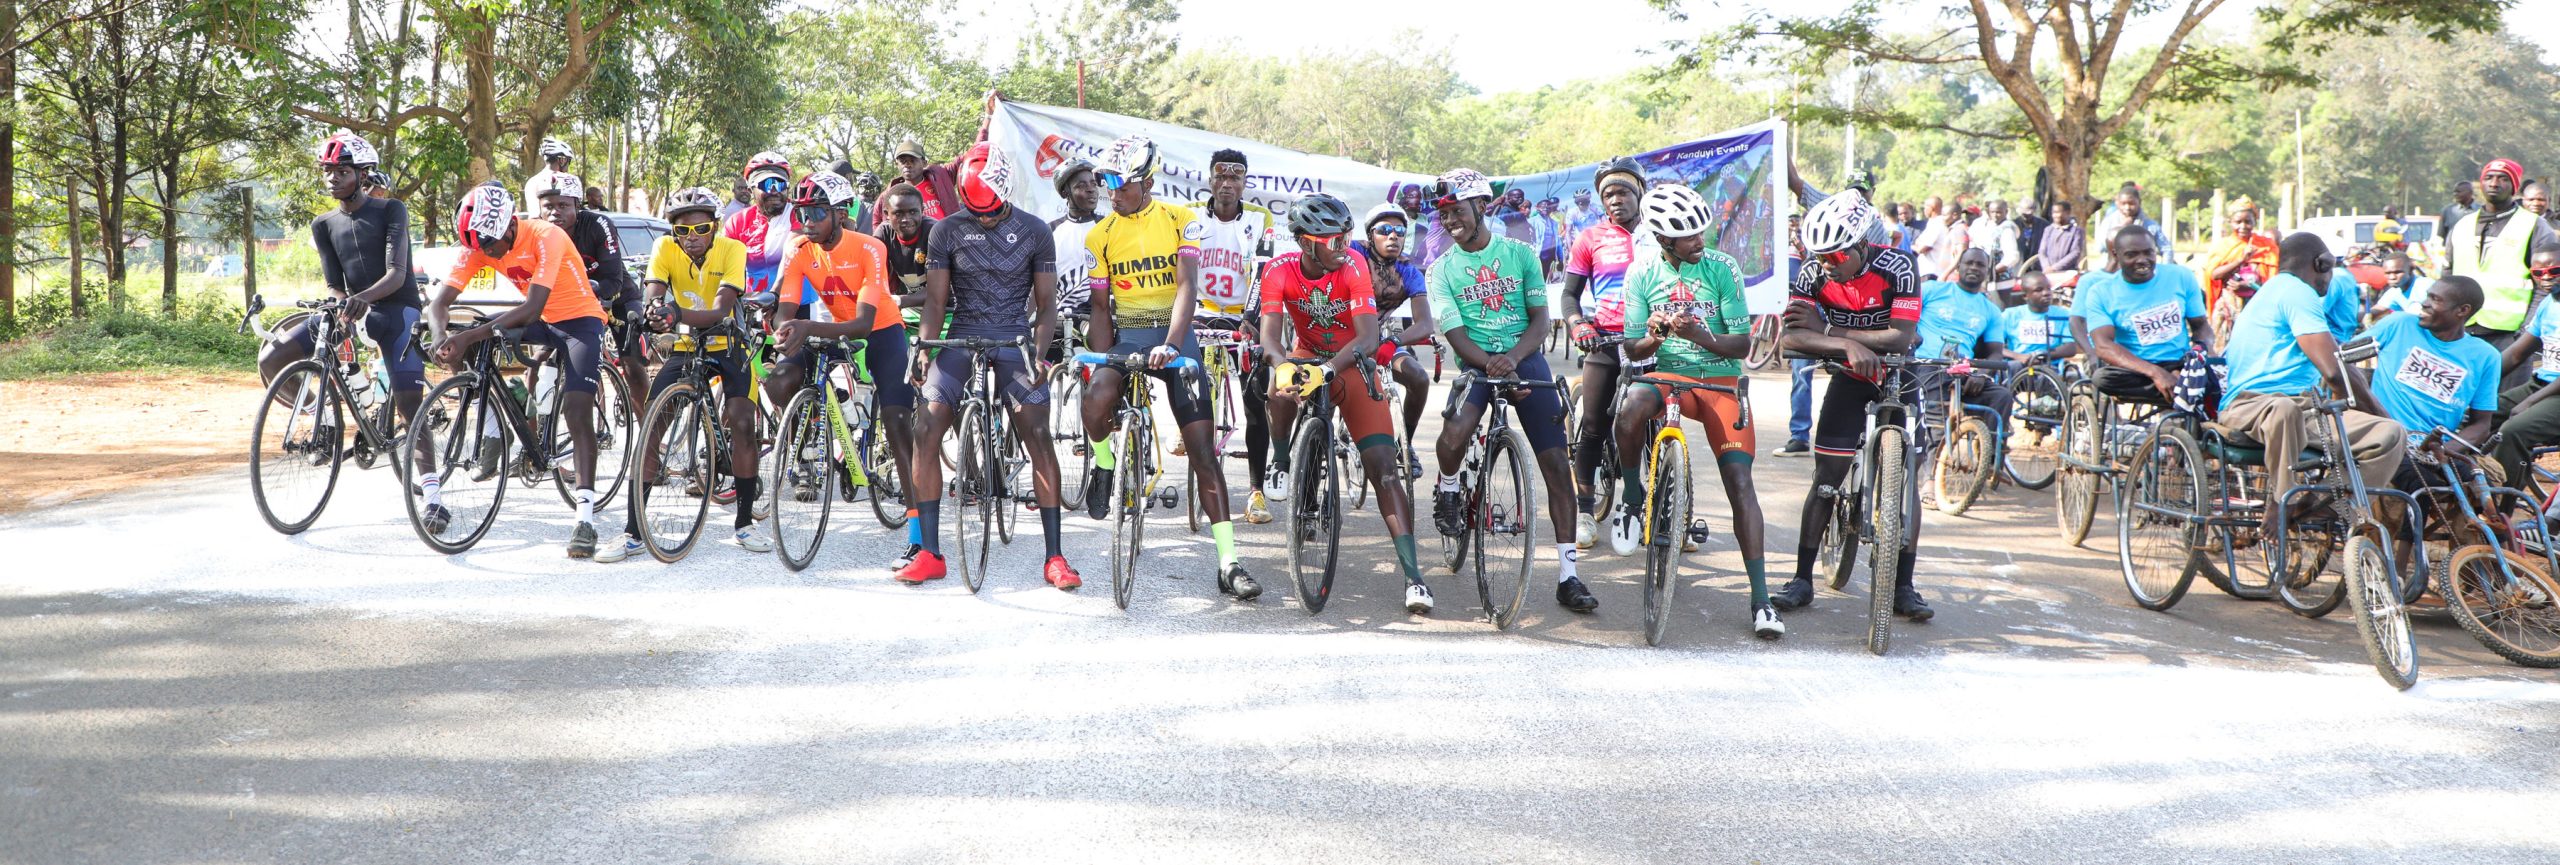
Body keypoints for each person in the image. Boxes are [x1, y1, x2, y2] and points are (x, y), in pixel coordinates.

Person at [1078, 134, 1258, 600]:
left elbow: (1186, 287)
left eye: (1122, 185)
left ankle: (1229, 561)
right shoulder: (1100, 234)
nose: (1112, 194)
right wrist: (1102, 361)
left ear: (1149, 182)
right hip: (1129, 331)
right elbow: (1101, 307)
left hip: (1176, 334)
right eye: (1106, 185)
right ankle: (1103, 465)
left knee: (1202, 451)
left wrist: (1175, 346)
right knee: (1095, 398)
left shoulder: (1182, 220)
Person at [1604, 185, 1782, 638]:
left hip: (1720, 380)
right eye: (1688, 237)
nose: (1699, 240)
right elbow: (1632, 347)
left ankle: (1761, 599)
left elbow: (1742, 344)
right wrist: (1657, 336)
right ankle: (1630, 495)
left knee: (1741, 484)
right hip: (1670, 380)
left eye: (1701, 231)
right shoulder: (1641, 273)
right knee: (1629, 408)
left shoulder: (1723, 268)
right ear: (1664, 241)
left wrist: (1701, 335)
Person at [908, 143, 1084, 589]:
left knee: (1038, 433)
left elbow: (1046, 309)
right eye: (975, 213)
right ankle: (929, 553)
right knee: (926, 427)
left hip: (1013, 337)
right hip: (962, 332)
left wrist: (1040, 357)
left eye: (991, 213)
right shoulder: (945, 230)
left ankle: (1055, 558)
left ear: (1005, 192)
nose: (983, 220)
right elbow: (934, 300)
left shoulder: (1035, 230)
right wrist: (926, 348)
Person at [1424, 167, 1596, 613]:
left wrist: (1515, 360)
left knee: (1558, 466)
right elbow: (1455, 335)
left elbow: (1541, 319)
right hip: (1477, 363)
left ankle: (1569, 575)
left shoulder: (1520, 254)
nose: (1449, 220)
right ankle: (1447, 488)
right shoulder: (1441, 269)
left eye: (1457, 211)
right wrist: (1491, 365)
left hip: (1524, 356)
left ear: (1481, 206)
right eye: (1442, 214)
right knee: (1455, 433)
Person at [1256, 194, 1433, 613]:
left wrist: (1329, 370)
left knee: (1385, 471)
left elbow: (1369, 338)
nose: (1343, 246)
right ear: (1305, 242)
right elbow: (1268, 336)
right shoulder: (1278, 270)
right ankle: (1281, 459)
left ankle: (1414, 577)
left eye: (1346, 238)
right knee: (1277, 390)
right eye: (1333, 240)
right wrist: (1282, 364)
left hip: (1351, 362)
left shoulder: (1353, 268)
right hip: (1304, 354)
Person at [424, 183, 612, 557]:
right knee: (470, 337)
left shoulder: (547, 235)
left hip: (580, 321)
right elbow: (440, 303)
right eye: (478, 248)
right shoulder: (479, 243)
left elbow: (530, 307)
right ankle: (492, 421)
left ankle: (585, 519)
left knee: (577, 410)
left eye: (491, 246)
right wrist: (443, 334)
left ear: (511, 224)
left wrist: (469, 336)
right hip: (542, 320)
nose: (486, 254)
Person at [1772, 191, 1933, 620]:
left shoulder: (1898, 266)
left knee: (1905, 483)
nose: (1827, 264)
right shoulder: (1812, 273)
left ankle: (1904, 586)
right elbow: (1790, 339)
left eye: (1836, 255)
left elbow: (1900, 337)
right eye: (1819, 256)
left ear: (1862, 244)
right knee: (1827, 477)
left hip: (1899, 374)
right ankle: (1803, 578)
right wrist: (1843, 342)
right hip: (1850, 376)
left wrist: (1824, 329)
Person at [765, 172, 917, 577]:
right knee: (779, 380)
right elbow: (787, 303)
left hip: (881, 330)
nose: (807, 221)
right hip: (831, 328)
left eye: (816, 212)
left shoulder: (870, 247)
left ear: (840, 212)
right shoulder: (799, 248)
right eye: (801, 213)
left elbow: (864, 325)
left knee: (898, 420)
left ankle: (918, 529)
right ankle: (812, 444)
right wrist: (784, 327)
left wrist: (807, 327)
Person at [603, 187, 761, 562]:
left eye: (701, 229)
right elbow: (654, 290)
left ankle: (743, 523)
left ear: (715, 227)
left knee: (741, 424)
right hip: (687, 344)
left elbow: (722, 309)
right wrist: (655, 309)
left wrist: (676, 314)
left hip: (728, 341)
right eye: (682, 231)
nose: (691, 238)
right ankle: (633, 532)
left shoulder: (732, 250)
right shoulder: (664, 248)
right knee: (652, 428)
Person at [262, 131, 427, 480]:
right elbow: (335, 283)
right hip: (353, 308)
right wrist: (341, 303)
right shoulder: (323, 224)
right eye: (328, 171)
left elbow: (397, 274)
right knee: (272, 358)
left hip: (397, 310)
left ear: (362, 175)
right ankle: (325, 418)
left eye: (342, 171)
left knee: (410, 404)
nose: (332, 178)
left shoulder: (391, 209)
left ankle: (432, 495)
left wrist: (360, 300)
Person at [2219, 232, 2408, 528]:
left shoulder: (2280, 291)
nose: (2331, 278)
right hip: (2251, 404)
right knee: (2285, 409)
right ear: (2321, 264)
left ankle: (2331, 509)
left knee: (2392, 434)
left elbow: (2340, 366)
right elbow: (2334, 373)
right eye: (2330, 269)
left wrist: (2383, 419)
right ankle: (2283, 500)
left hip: (2305, 407)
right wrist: (2376, 409)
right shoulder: (2297, 292)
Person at [2351, 278, 2496, 546]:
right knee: (2421, 485)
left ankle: (2470, 568)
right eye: (2427, 297)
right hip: (2388, 437)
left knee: (2480, 484)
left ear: (2462, 311)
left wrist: (2442, 450)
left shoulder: (2485, 355)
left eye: (2436, 300)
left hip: (2436, 446)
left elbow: (2481, 425)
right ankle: (2402, 566)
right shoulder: (2400, 325)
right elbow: (2342, 360)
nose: (2424, 304)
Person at [1560, 156, 1647, 550]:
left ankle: (1660, 509)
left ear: (1640, 193)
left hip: (1651, 343)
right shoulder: (1590, 238)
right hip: (1605, 342)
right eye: (1608, 194)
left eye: (1624, 191)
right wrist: (1579, 324)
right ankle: (1583, 512)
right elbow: (1569, 295)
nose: (1616, 200)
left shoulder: (1659, 235)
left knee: (1652, 428)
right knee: (1594, 425)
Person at [1194, 148, 1278, 522]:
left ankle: (1256, 490)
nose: (1227, 184)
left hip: (1244, 316)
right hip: (1201, 312)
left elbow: (1262, 274)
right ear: (1210, 180)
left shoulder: (1261, 218)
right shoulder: (1192, 215)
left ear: (1244, 183)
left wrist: (1250, 318)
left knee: (1254, 399)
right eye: (1220, 177)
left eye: (1235, 178)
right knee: (1182, 375)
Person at [2071, 225, 2209, 404]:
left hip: (2179, 362)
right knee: (2102, 378)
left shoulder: (2181, 276)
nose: (2142, 260)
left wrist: (2205, 349)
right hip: (2136, 369)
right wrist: (2156, 373)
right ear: (2115, 255)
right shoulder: (2101, 292)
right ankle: (2182, 388)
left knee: (2214, 373)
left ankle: (2180, 386)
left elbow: (2201, 326)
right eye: (2132, 255)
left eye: (2148, 253)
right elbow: (2103, 346)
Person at [1352, 201, 1433, 471]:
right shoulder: (1352, 254)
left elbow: (1425, 324)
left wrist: (1395, 342)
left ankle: (1404, 442)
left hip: (1379, 341)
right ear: (1370, 235)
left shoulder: (1408, 271)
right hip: (1342, 338)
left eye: (1400, 231)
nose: (1393, 236)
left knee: (1419, 378)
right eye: (1385, 230)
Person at [2446, 158, 2559, 346]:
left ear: (2515, 187)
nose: (2494, 183)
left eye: (2503, 178)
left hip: (2510, 335)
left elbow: (2546, 283)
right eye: (2489, 177)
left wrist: (2527, 330)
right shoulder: (2462, 224)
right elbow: (2448, 275)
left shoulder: (2534, 225)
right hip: (2462, 331)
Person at [1913, 248, 2012, 426]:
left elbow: (1996, 353)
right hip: (1927, 365)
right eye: (1969, 263)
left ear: (1988, 271)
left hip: (1963, 371)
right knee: (1939, 421)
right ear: (1958, 267)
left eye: (1980, 265)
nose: (1974, 268)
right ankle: (1935, 446)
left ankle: (1990, 452)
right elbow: (1905, 320)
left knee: (2001, 397)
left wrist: (1982, 374)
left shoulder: (1992, 311)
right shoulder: (1932, 290)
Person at [2491, 246, 2560, 486]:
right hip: (2541, 384)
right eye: (2538, 273)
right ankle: (2471, 488)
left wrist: (2529, 402)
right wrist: (2475, 384)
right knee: (2480, 412)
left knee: (2513, 431)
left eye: (2554, 270)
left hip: (2556, 393)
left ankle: (2500, 510)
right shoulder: (2548, 304)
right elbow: (2516, 354)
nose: (2546, 277)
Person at [2203, 198, 2279, 346]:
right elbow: (2214, 274)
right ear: (2231, 222)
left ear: (2255, 221)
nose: (2243, 226)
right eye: (2238, 222)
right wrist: (2241, 260)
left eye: (2248, 222)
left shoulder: (2267, 246)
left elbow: (2274, 282)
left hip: (2258, 308)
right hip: (2228, 309)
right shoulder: (2223, 246)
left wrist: (2250, 286)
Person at [722, 151, 798, 300]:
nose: (775, 191)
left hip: (798, 305)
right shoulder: (737, 222)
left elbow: (793, 255)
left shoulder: (799, 214)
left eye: (780, 184)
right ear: (751, 189)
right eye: (767, 184)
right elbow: (725, 266)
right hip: (753, 304)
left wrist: (774, 294)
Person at [1048, 157, 1103, 330]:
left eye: (1093, 184)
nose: (1090, 190)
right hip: (1057, 324)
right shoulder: (1050, 231)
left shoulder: (1109, 227)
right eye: (1081, 186)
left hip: (1097, 324)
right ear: (1066, 193)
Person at [2000, 271, 2077, 365]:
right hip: (2019, 366)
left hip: (2051, 367)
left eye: (2048, 288)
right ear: (2025, 296)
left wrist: (2041, 355)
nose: (2046, 293)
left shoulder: (2063, 314)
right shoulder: (2010, 315)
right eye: (2039, 290)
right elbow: (1993, 346)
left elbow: (2070, 348)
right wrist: (2018, 356)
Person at [2093, 182, 2173, 272]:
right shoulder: (2109, 222)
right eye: (2123, 204)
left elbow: (2166, 249)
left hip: (2142, 273)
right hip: (2113, 271)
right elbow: (2101, 247)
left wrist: (2166, 271)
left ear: (2139, 202)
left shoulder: (2150, 225)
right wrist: (2122, 229)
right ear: (2117, 203)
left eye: (2131, 204)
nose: (2127, 207)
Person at [890, 138, 965, 220]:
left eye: (912, 161)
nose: (907, 165)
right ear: (897, 165)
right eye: (903, 161)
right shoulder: (894, 193)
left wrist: (982, 131)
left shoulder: (940, 177)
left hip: (949, 231)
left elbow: (970, 156)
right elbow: (879, 220)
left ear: (924, 163)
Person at [2367, 251, 2432, 325]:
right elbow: (2378, 309)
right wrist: (2366, 316)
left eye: (2397, 272)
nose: (2392, 277)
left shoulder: (2426, 286)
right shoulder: (2395, 291)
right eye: (2388, 273)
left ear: (2410, 270)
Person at [1970, 199, 2022, 278]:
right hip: (1987, 273)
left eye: (1998, 212)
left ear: (2006, 212)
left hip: (2000, 276)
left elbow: (2012, 256)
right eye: (1992, 212)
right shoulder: (1989, 227)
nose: (1995, 215)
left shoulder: (2007, 230)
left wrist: (1993, 270)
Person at [523, 137, 573, 215]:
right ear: (562, 160)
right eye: (569, 161)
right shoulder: (569, 181)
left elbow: (534, 215)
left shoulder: (532, 182)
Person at [2038, 199, 2085, 277]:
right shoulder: (2049, 230)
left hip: (2067, 273)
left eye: (2058, 212)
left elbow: (2075, 252)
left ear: (2068, 213)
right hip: (2048, 272)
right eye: (2054, 213)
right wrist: (2046, 267)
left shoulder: (2076, 231)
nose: (2055, 215)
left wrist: (2055, 268)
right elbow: (2042, 251)